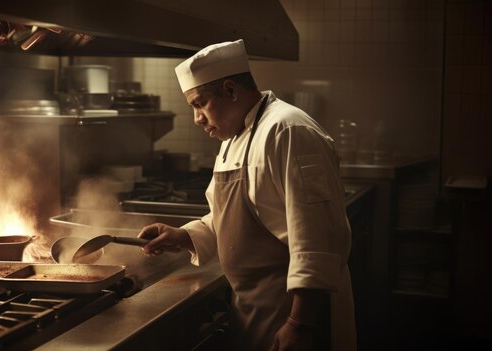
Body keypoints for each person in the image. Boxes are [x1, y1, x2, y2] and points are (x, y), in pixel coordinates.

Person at [137, 39, 356, 351]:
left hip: (295, 311)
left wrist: (299, 324)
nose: (197, 119)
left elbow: (316, 238)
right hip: (254, 309)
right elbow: (230, 219)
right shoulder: (233, 137)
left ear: (230, 90)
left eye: (200, 104)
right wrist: (182, 236)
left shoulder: (288, 130)